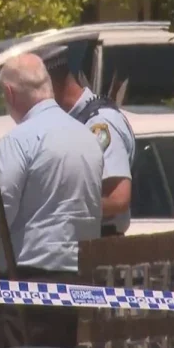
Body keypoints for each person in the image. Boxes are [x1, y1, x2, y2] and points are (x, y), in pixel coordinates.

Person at [0, 53, 103, 348]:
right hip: (80, 282)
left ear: (11, 94)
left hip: (28, 288)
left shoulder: (18, 141)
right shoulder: (87, 138)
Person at [38, 45, 136, 237]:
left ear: (49, 84)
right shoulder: (70, 121)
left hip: (102, 246)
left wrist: (59, 208)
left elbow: (118, 199)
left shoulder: (98, 124)